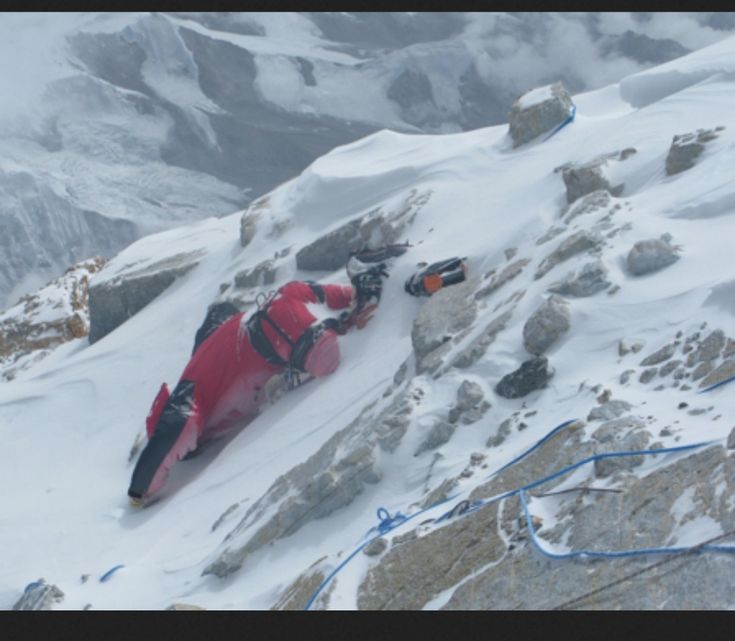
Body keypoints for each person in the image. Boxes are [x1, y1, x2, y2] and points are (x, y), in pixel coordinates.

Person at [127, 265, 386, 506]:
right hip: (277, 304)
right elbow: (218, 314)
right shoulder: (200, 356)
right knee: (329, 306)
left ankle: (355, 318)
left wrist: (138, 495)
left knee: (321, 353)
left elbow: (161, 451)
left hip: (275, 335)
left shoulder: (188, 406)